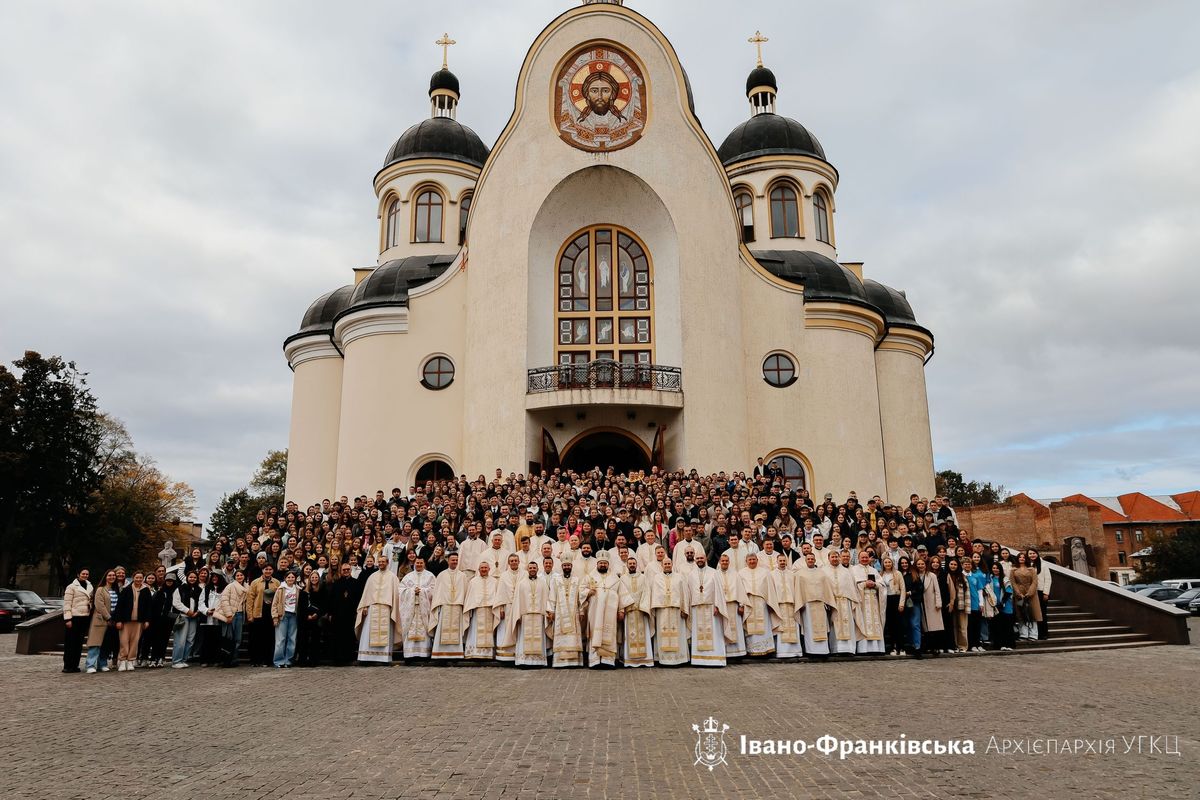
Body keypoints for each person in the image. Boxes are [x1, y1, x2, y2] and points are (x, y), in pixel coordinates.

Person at [357, 554, 404, 664]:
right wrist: (364, 606)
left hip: (386, 608)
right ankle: (366, 658)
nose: (381, 563)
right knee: (368, 632)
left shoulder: (393, 577)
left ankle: (383, 658)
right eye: (380, 562)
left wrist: (394, 609)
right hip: (372, 608)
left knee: (385, 632)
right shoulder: (372, 577)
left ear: (387, 563)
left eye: (383, 562)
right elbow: (366, 594)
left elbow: (396, 596)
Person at [688, 552, 732, 666]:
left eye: (701, 558)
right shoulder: (691, 574)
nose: (699, 560)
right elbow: (689, 592)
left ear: (706, 558)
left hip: (711, 607)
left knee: (715, 633)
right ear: (695, 559)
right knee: (699, 634)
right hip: (697, 608)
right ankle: (699, 660)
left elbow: (718, 590)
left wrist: (718, 606)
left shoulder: (713, 572)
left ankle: (716, 659)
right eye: (697, 558)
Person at [508, 560, 551, 667]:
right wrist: (517, 615)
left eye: (534, 568)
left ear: (537, 569)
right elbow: (517, 600)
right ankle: (524, 661)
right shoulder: (521, 584)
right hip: (525, 616)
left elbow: (547, 599)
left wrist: (548, 612)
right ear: (527, 569)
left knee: (538, 638)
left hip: (539, 615)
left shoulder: (543, 583)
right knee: (524, 638)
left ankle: (538, 662)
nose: (532, 570)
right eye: (530, 568)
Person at [583, 553, 622, 668]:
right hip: (595, 612)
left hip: (611, 612)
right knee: (595, 632)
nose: (603, 565)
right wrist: (588, 592)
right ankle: (595, 661)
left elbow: (621, 594)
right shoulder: (589, 577)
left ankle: (608, 660)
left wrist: (621, 610)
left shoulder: (615, 578)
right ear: (597, 564)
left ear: (608, 564)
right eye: (601, 563)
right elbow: (581, 590)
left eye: (605, 563)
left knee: (609, 632)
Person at [649, 558, 690, 666]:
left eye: (669, 563)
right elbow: (654, 594)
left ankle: (679, 659)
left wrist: (684, 609)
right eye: (665, 563)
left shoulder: (679, 577)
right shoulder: (656, 578)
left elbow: (684, 593)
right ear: (662, 565)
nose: (667, 565)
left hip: (677, 611)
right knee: (662, 634)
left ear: (672, 564)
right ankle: (663, 660)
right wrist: (654, 610)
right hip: (662, 611)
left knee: (678, 634)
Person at [794, 552, 835, 658]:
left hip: (820, 604)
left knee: (822, 626)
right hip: (807, 605)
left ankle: (823, 651)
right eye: (809, 559)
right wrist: (800, 602)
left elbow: (826, 588)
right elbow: (798, 589)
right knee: (809, 628)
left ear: (815, 560)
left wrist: (827, 601)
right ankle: (810, 650)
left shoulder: (821, 573)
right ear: (805, 560)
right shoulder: (800, 573)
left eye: (812, 559)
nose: (811, 560)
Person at [429, 554, 468, 660]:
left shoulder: (463, 576)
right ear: (448, 561)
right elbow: (437, 592)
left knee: (457, 631)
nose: (454, 562)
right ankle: (441, 654)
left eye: (456, 560)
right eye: (452, 560)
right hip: (445, 606)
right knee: (442, 630)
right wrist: (438, 604)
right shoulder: (441, 575)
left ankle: (456, 655)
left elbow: (465, 592)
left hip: (458, 607)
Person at [737, 553, 777, 657]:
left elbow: (770, 589)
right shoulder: (741, 573)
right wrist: (741, 605)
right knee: (750, 627)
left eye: (753, 559)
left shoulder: (765, 572)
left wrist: (770, 603)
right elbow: (740, 590)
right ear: (746, 561)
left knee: (764, 625)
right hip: (748, 602)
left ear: (757, 560)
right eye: (749, 560)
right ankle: (752, 650)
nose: (752, 561)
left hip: (762, 602)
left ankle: (766, 649)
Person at [548, 560, 586, 668]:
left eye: (568, 565)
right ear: (562, 567)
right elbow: (552, 596)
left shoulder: (577, 579)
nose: (567, 567)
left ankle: (575, 661)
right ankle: (560, 662)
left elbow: (580, 597)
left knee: (574, 636)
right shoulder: (555, 580)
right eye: (565, 565)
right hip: (560, 613)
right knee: (561, 634)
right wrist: (551, 611)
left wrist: (582, 610)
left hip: (574, 613)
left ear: (571, 566)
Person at [463, 561, 504, 660]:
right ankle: (475, 653)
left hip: (490, 611)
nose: (484, 569)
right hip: (478, 611)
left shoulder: (494, 581)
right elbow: (469, 597)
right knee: (475, 632)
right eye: (482, 568)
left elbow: (499, 597)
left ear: (489, 569)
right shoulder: (473, 581)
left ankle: (488, 654)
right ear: (478, 569)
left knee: (490, 632)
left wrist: (501, 608)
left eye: (486, 568)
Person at [618, 556, 654, 667]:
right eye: (630, 563)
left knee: (644, 634)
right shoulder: (622, 578)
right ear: (627, 565)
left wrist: (642, 606)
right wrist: (626, 606)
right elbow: (621, 594)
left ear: (636, 565)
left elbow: (647, 592)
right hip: (629, 611)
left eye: (634, 563)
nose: (632, 565)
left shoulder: (643, 577)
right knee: (629, 635)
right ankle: (630, 661)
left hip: (641, 611)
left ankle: (646, 660)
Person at [397, 556, 435, 660]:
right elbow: (400, 590)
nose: (419, 565)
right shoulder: (408, 576)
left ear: (424, 564)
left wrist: (422, 591)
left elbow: (434, 589)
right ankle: (410, 655)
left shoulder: (430, 576)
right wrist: (413, 591)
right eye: (417, 563)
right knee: (410, 628)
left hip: (424, 608)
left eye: (421, 563)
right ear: (414, 564)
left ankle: (424, 654)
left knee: (424, 629)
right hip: (411, 609)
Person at [114, 570, 151, 672]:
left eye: (140, 578)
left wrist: (147, 620)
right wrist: (118, 620)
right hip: (126, 620)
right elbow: (119, 606)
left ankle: (131, 660)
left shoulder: (146, 590)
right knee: (124, 641)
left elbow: (148, 607)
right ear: (133, 578)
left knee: (135, 641)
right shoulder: (126, 589)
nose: (138, 579)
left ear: (143, 579)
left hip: (139, 621)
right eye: (137, 577)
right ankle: (122, 660)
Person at [850, 550, 886, 655]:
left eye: (866, 557)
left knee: (875, 622)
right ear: (859, 558)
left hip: (874, 600)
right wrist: (864, 584)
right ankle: (863, 649)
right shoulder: (854, 570)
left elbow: (882, 585)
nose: (865, 559)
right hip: (862, 601)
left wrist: (875, 585)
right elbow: (853, 586)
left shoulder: (874, 570)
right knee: (864, 622)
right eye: (863, 557)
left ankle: (876, 648)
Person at [327, 562, 362, 664]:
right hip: (338, 614)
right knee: (337, 637)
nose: (346, 571)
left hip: (350, 614)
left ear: (350, 570)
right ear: (341, 571)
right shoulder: (336, 583)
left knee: (349, 637)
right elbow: (331, 600)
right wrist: (330, 613)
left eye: (348, 569)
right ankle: (338, 658)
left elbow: (359, 598)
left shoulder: (356, 583)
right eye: (344, 570)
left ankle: (348, 658)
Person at [246, 564, 280, 667]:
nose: (268, 571)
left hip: (270, 614)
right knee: (256, 639)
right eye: (266, 569)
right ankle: (255, 660)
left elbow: (279, 598)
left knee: (269, 639)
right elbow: (250, 599)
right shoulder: (255, 582)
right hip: (258, 613)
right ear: (262, 570)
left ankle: (267, 660)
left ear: (272, 571)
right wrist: (250, 615)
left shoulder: (276, 583)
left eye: (270, 569)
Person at [213, 570, 248, 667]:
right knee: (228, 638)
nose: (240, 577)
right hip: (231, 615)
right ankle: (226, 659)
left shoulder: (247, 588)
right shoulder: (230, 586)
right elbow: (224, 600)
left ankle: (234, 659)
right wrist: (228, 615)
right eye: (237, 575)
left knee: (238, 638)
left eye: (241, 575)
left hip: (240, 614)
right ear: (234, 577)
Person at [770, 554, 803, 659]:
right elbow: (771, 591)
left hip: (791, 604)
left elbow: (797, 589)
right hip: (779, 605)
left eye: (784, 560)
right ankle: (782, 651)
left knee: (793, 627)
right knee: (781, 628)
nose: (782, 562)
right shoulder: (772, 574)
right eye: (780, 560)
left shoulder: (792, 574)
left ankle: (795, 651)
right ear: (777, 561)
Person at [714, 553, 746, 659]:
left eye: (726, 561)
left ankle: (738, 652)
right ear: (719, 562)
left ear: (729, 562)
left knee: (735, 628)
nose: (724, 562)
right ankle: (725, 652)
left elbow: (740, 589)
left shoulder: (735, 574)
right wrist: (715, 605)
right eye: (722, 561)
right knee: (722, 628)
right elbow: (713, 591)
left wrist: (741, 605)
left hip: (733, 605)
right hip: (721, 606)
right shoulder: (715, 574)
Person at [85, 569, 117, 673]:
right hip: (101, 619)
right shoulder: (100, 589)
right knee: (95, 643)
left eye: (113, 575)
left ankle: (102, 664)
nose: (112, 577)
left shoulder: (116, 589)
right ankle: (90, 665)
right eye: (110, 575)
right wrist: (108, 617)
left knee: (106, 644)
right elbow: (99, 605)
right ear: (106, 577)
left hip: (113, 620)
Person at [62, 568, 92, 674]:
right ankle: (67, 665)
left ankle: (75, 665)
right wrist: (68, 619)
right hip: (74, 617)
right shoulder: (71, 587)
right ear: (78, 574)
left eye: (87, 574)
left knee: (79, 643)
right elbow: (67, 604)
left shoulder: (90, 586)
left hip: (85, 617)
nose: (85, 575)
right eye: (83, 573)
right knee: (70, 642)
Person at [171, 571, 202, 669]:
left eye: (194, 577)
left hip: (194, 617)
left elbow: (201, 602)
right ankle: (176, 661)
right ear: (187, 578)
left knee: (190, 640)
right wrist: (187, 610)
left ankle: (184, 659)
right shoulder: (180, 588)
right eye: (190, 577)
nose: (192, 579)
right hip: (183, 616)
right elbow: (176, 602)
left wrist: (197, 612)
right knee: (180, 640)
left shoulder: (199, 589)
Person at [145, 573, 176, 667]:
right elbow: (152, 606)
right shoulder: (160, 592)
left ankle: (161, 658)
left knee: (165, 639)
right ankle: (153, 658)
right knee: (155, 639)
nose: (169, 582)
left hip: (169, 619)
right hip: (157, 619)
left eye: (171, 581)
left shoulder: (176, 592)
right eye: (167, 580)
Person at [878, 557, 906, 655]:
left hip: (896, 599)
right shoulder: (880, 574)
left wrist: (901, 603)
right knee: (890, 625)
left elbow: (903, 589)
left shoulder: (897, 574)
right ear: (883, 564)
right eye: (885, 562)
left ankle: (901, 647)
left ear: (892, 563)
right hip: (886, 600)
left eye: (889, 562)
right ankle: (893, 647)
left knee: (899, 625)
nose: (887, 564)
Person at [1010, 552, 1041, 641]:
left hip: (1031, 594)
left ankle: (1033, 634)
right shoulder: (1013, 570)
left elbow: (1035, 582)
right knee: (1021, 613)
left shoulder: (1031, 569)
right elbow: (1013, 582)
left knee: (1033, 613)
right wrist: (1018, 593)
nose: (1022, 559)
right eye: (1020, 557)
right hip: (1019, 594)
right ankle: (1023, 634)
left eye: (1024, 557)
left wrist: (1030, 592)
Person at [296, 571, 325, 666]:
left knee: (315, 640)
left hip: (316, 618)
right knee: (303, 639)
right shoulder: (304, 591)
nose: (314, 579)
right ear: (309, 579)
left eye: (316, 577)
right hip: (305, 618)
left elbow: (324, 604)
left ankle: (314, 660)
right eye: (312, 577)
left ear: (318, 579)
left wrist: (317, 614)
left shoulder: (322, 590)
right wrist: (306, 615)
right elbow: (301, 605)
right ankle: (302, 660)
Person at [917, 559, 944, 656]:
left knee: (934, 626)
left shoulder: (932, 575)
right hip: (921, 603)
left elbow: (937, 590)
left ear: (925, 565)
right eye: (918, 564)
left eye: (922, 564)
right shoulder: (915, 575)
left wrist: (938, 602)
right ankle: (927, 647)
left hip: (932, 602)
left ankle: (935, 647)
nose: (920, 566)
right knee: (925, 627)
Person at [965, 558, 989, 652]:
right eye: (965, 564)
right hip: (967, 604)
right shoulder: (962, 576)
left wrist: (981, 603)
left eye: (969, 564)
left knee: (977, 625)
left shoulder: (975, 576)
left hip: (976, 604)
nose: (967, 566)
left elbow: (979, 591)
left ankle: (977, 644)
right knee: (969, 626)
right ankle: (971, 645)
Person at [946, 559, 968, 653]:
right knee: (953, 626)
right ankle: (955, 645)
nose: (953, 566)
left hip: (961, 604)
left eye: (955, 564)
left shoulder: (962, 576)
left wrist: (967, 606)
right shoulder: (946, 575)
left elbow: (967, 592)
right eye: (951, 564)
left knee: (962, 627)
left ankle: (963, 646)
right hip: (951, 605)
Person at [1029, 549, 1051, 640]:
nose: (1032, 555)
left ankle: (1043, 633)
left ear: (1037, 554)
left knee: (1042, 613)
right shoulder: (1028, 565)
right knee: (1033, 614)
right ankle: (1035, 633)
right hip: (1031, 592)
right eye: (1030, 554)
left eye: (1033, 553)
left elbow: (1048, 579)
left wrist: (1046, 592)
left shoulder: (1044, 565)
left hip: (1041, 591)